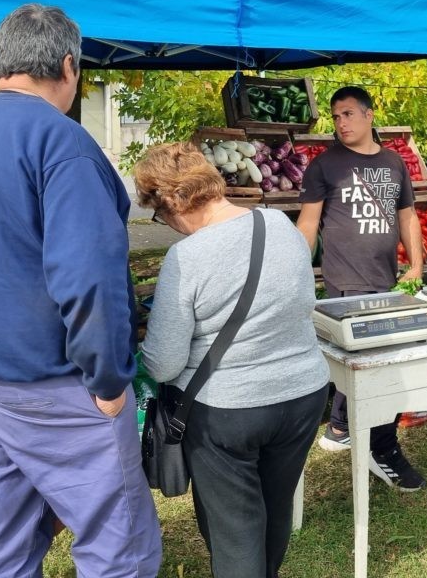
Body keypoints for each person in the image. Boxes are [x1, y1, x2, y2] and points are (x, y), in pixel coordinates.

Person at [0, 4, 161, 577]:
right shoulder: (64, 145)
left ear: (0, 64)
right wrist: (108, 381)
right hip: (51, 385)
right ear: (67, 65)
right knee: (118, 546)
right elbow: (90, 277)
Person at [136, 143, 329, 578]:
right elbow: (300, 303)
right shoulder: (279, 224)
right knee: (275, 509)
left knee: (234, 530)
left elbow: (164, 365)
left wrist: (143, 355)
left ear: (170, 203)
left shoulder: (187, 257)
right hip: (302, 396)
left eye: (158, 214)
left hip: (227, 412)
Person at [296, 85, 427, 491]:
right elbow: (308, 222)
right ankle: (382, 447)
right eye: (336, 117)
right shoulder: (324, 166)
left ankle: (343, 428)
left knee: (378, 364)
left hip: (385, 280)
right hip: (344, 283)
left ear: (370, 115)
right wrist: (296, 269)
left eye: (349, 114)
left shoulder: (393, 163)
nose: (341, 122)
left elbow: (407, 216)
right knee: (370, 365)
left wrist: (417, 263)